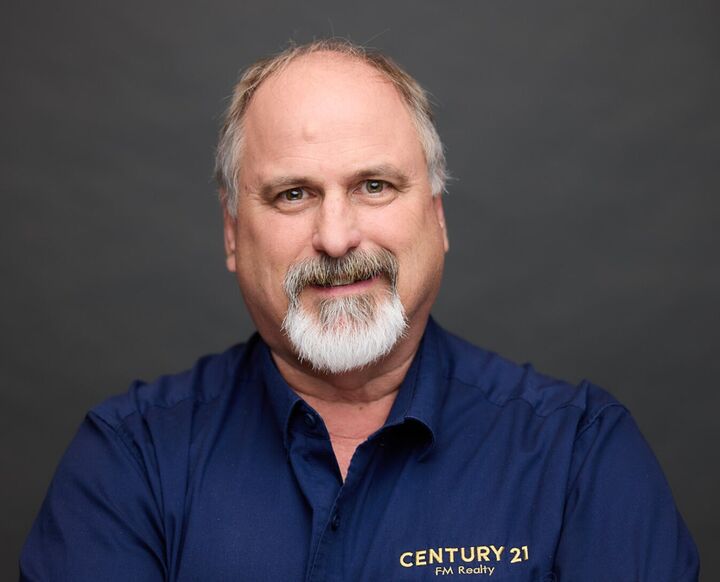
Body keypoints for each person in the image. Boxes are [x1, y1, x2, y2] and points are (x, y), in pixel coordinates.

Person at [20, 39, 699, 581]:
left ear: (436, 216)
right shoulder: (128, 462)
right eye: (293, 194)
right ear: (231, 233)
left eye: (374, 186)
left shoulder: (581, 456)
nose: (337, 237)